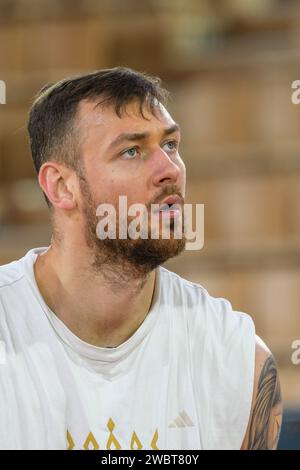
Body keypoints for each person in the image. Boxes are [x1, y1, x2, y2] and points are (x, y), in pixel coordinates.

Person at [0, 67, 282, 450]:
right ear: (62, 186)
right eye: (131, 151)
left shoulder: (237, 360)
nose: (170, 171)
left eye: (170, 145)